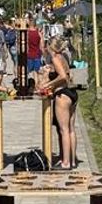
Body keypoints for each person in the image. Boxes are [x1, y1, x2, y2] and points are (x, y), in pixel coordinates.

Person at [36, 37, 77, 169]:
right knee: (71, 129)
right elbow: (68, 74)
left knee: (63, 129)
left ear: (51, 47)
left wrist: (48, 84)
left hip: (62, 95)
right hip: (72, 93)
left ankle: (65, 162)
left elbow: (63, 76)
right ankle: (72, 160)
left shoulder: (55, 58)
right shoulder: (64, 57)